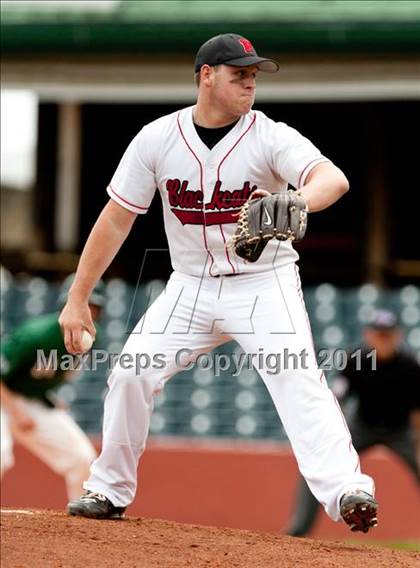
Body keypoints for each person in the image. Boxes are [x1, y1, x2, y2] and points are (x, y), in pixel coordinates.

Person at [60, 33, 378, 532]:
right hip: (189, 285)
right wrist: (78, 298)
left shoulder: (270, 135)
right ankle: (108, 490)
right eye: (239, 74)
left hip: (263, 282)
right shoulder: (157, 138)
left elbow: (330, 179)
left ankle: (348, 492)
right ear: (206, 75)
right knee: (130, 374)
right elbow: (116, 218)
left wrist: (298, 202)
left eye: (254, 74)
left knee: (296, 377)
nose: (250, 82)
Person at [286, 309, 420, 536]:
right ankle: (299, 530)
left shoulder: (409, 366)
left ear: (397, 336)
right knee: (320, 464)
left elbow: (418, 410)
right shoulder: (356, 361)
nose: (383, 339)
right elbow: (336, 399)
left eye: (387, 334)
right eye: (379, 334)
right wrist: (329, 437)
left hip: (400, 431)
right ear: (369, 335)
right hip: (362, 427)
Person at [0, 275, 105, 501]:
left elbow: (43, 373)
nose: (89, 312)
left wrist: (46, 397)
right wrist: (16, 412)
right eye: (84, 304)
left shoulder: (92, 340)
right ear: (65, 306)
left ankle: (81, 524)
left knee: (82, 458)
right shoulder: (35, 335)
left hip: (32, 400)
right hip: (4, 398)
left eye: (94, 307)